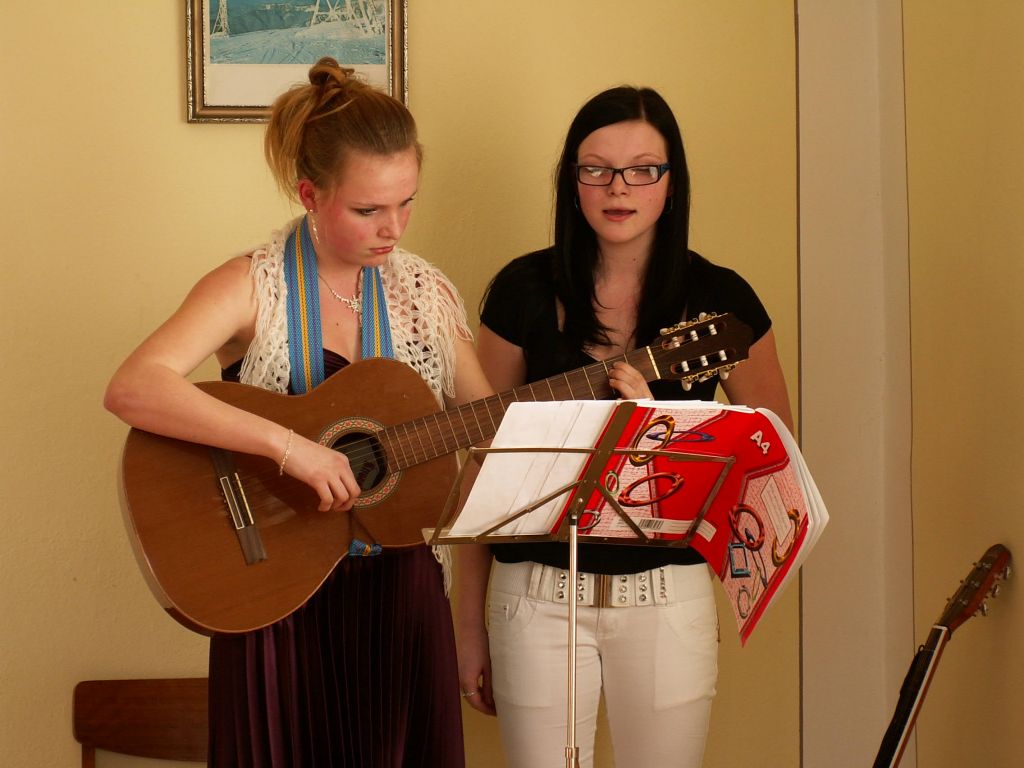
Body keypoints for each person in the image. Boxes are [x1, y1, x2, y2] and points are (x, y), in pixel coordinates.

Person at [105, 57, 493, 767]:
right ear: (310, 194)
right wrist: (292, 448)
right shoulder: (250, 285)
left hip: (401, 595)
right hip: (274, 593)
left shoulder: (427, 294)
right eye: (368, 210)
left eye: (407, 202)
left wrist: (600, 400)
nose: (394, 228)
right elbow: (134, 386)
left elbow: (490, 424)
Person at [454, 86, 794, 768]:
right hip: (534, 597)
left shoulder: (720, 300)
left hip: (667, 598)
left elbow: (772, 458)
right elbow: (480, 464)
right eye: (597, 168)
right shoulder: (522, 290)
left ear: (672, 182)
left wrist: (660, 430)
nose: (619, 187)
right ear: (571, 180)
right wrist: (465, 626)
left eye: (643, 169)